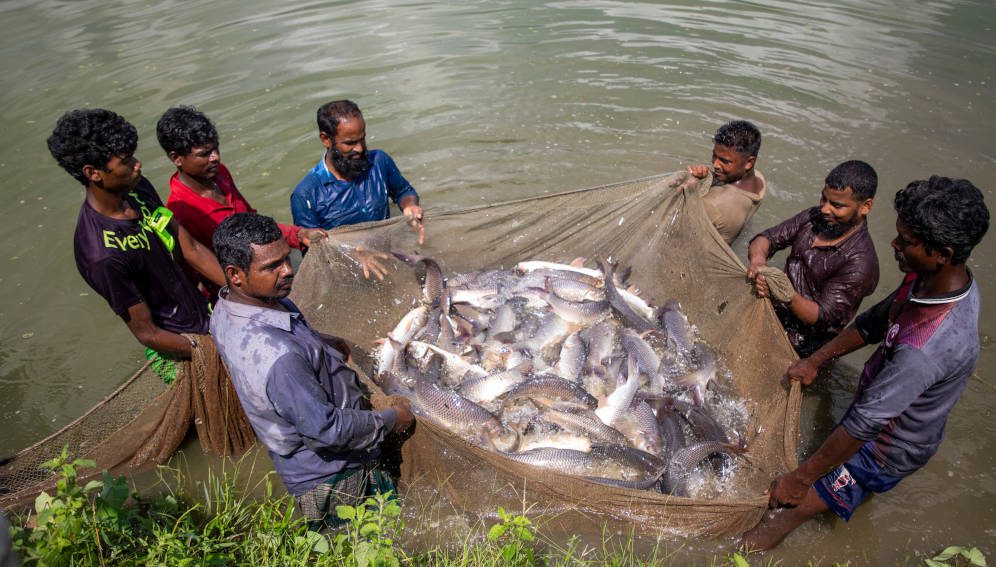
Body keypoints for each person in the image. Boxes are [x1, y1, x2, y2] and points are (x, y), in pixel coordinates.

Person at [742, 176, 989, 550]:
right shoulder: (927, 277)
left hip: (885, 448)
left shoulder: (929, 346)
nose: (894, 245)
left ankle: (740, 553)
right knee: (822, 482)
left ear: (942, 252)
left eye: (905, 241)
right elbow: (875, 321)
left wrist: (798, 480)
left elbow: (865, 424)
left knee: (784, 512)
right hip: (879, 411)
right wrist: (816, 360)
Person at [210, 212, 415, 531]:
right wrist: (391, 419)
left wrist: (321, 342)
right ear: (235, 274)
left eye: (286, 258)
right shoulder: (280, 358)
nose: (288, 270)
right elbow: (327, 431)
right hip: (336, 477)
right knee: (375, 537)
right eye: (272, 266)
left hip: (315, 446)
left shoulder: (231, 305)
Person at [47, 108, 224, 363]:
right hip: (182, 347)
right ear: (93, 173)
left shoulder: (137, 189)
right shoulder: (101, 254)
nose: (137, 164)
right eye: (126, 161)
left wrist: (243, 294)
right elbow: (148, 333)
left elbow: (190, 248)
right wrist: (209, 351)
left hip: (204, 314)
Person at [156, 106, 327, 297]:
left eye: (215, 148)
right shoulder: (181, 213)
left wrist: (298, 234)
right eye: (204, 154)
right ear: (176, 158)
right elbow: (193, 272)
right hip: (241, 292)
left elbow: (252, 223)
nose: (216, 157)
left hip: (266, 268)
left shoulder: (220, 173)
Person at [747, 160, 880, 356]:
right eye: (823, 198)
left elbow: (821, 316)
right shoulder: (813, 217)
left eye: (837, 205)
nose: (825, 209)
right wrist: (758, 262)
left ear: (865, 206)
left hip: (800, 347)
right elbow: (766, 239)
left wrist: (785, 293)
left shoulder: (861, 263)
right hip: (770, 310)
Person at [290, 100, 425, 244]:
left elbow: (403, 191)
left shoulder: (379, 162)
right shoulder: (306, 195)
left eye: (362, 139)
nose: (360, 148)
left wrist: (410, 205)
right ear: (326, 140)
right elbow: (313, 247)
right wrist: (357, 253)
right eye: (350, 143)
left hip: (386, 248)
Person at [686, 120, 765, 244]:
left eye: (725, 161)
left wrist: (691, 185)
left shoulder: (714, 206)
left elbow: (678, 224)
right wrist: (706, 178)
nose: (715, 164)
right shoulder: (759, 180)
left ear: (749, 162)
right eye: (714, 156)